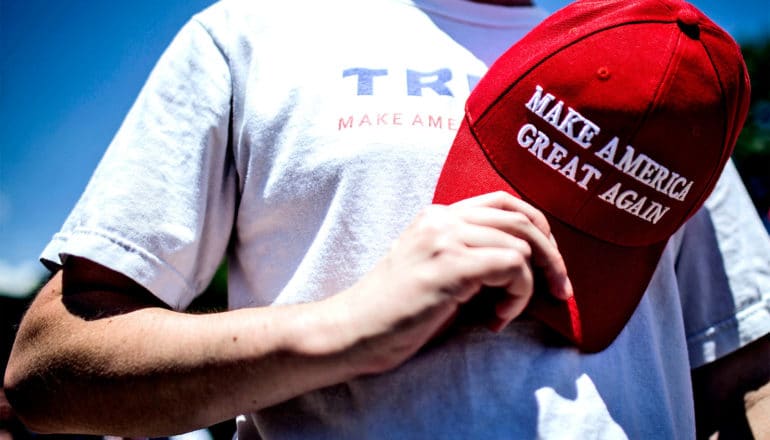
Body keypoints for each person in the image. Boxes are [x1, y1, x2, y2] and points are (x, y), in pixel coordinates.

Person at [4, 0, 770, 438]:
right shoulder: (250, 37)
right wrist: (340, 328)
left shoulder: (661, 87)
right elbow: (46, 369)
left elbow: (742, 386)